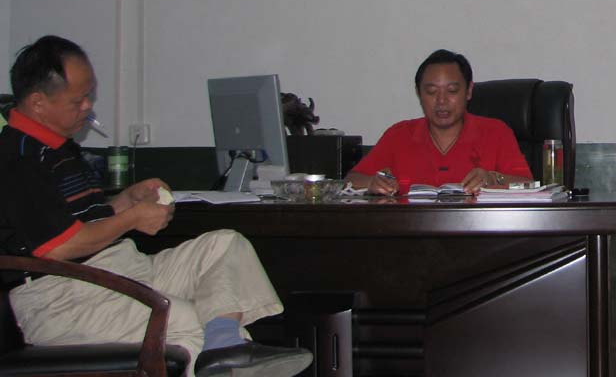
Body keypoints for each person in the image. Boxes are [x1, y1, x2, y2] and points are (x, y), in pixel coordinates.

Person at [0, 36, 311, 377]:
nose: (88, 106)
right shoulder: (19, 159)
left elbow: (74, 221)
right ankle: (221, 352)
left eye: (89, 95)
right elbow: (59, 246)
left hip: (114, 270)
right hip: (64, 298)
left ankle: (223, 346)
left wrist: (124, 202)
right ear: (38, 102)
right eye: (78, 100)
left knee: (224, 245)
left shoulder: (58, 146)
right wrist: (132, 218)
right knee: (192, 323)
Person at [347, 49, 533, 195]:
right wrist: (371, 183)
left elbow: (529, 185)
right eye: (431, 92)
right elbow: (351, 180)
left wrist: (493, 178)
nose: (441, 101)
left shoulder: (496, 132)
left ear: (468, 91)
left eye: (452, 91)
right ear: (419, 93)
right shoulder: (399, 135)